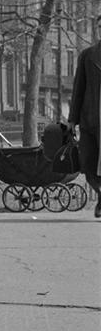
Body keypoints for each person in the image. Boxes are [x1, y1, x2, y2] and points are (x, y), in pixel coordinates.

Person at [69, 19, 101, 217]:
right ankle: (100, 193)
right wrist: (72, 119)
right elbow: (78, 89)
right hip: (90, 119)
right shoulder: (88, 55)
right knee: (87, 162)